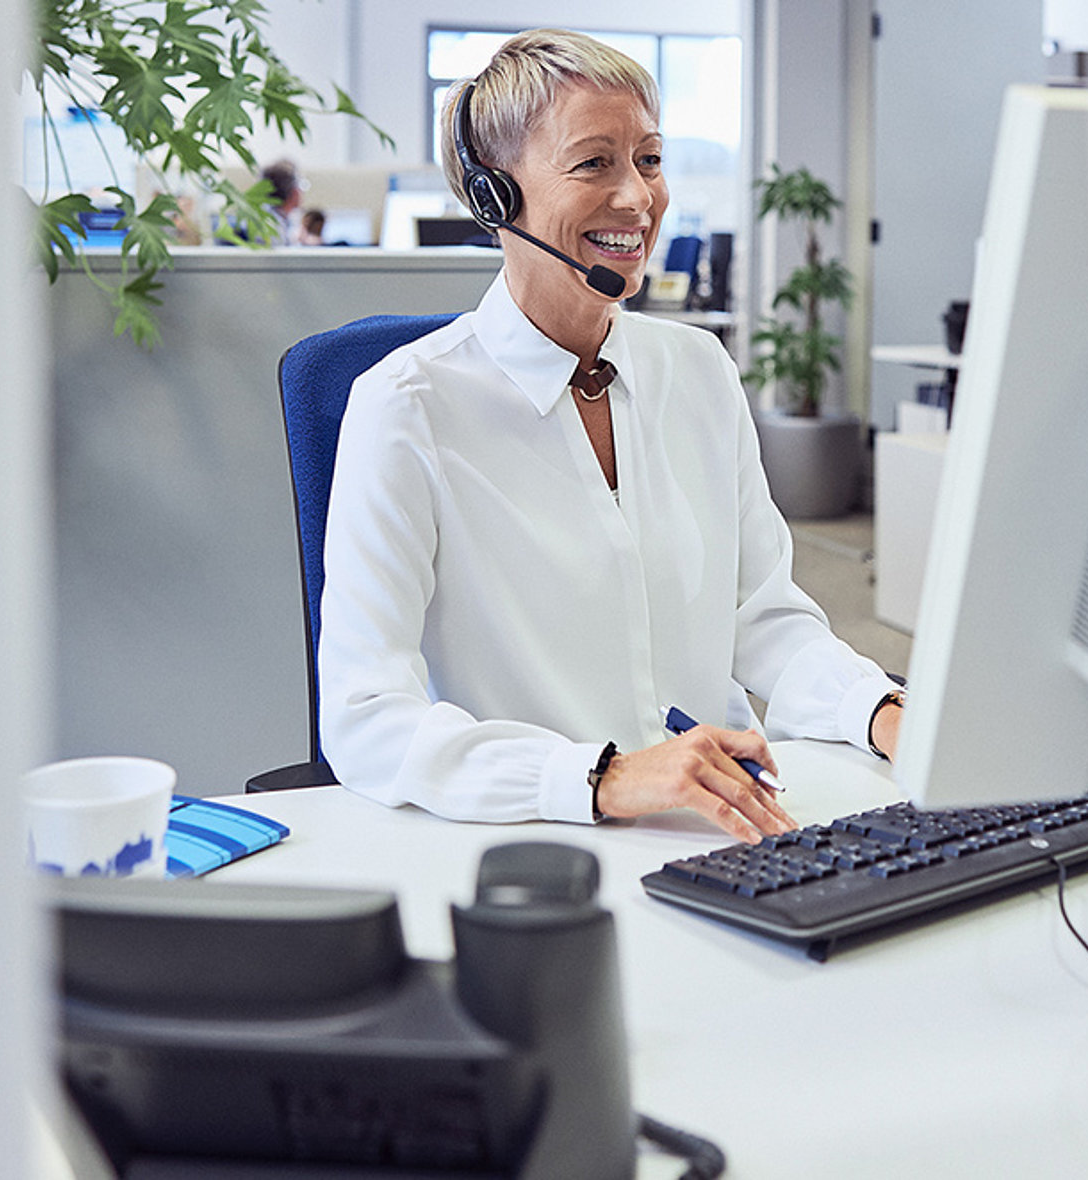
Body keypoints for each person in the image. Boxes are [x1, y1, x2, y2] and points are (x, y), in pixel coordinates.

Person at [318, 28, 904, 844]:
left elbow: (762, 618)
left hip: (725, 828)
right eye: (594, 163)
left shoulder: (697, 370)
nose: (636, 198)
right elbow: (364, 716)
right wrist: (604, 776)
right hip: (534, 846)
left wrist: (882, 711)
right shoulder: (407, 407)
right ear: (496, 198)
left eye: (650, 160)